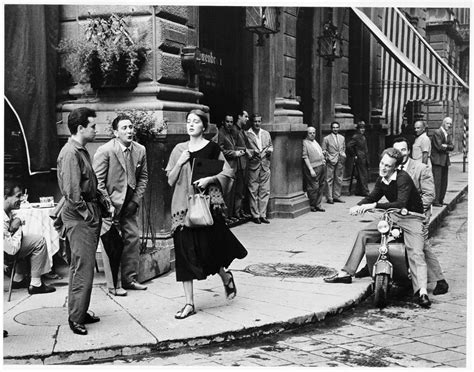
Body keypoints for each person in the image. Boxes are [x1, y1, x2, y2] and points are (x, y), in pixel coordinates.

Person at [324, 148, 432, 308]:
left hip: (412, 218)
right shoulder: (382, 180)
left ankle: (421, 291)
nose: (383, 167)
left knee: (416, 252)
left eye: (388, 166)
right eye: (382, 163)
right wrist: (358, 206)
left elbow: (400, 202)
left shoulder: (403, 178)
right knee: (363, 233)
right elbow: (373, 196)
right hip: (392, 216)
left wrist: (373, 206)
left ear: (395, 167)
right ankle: (346, 272)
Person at [166, 109, 248, 319]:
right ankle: (189, 303)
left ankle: (224, 275)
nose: (191, 125)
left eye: (196, 122)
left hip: (206, 207)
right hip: (182, 209)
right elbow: (170, 180)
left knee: (208, 250)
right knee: (184, 256)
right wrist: (180, 162)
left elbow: (227, 172)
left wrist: (209, 180)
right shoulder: (178, 149)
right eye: (188, 122)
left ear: (204, 126)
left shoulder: (212, 148)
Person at [57, 107, 102, 335]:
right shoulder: (70, 153)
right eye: (93, 126)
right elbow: (73, 193)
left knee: (83, 266)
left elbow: (86, 184)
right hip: (80, 216)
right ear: (80, 128)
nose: (96, 129)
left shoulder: (79, 150)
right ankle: (76, 317)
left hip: (86, 213)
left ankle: (80, 310)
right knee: (82, 267)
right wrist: (88, 214)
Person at [93, 114, 149, 294]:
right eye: (124, 128)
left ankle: (130, 279)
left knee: (132, 239)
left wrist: (135, 200)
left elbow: (143, 177)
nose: (129, 131)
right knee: (112, 244)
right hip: (109, 205)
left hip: (129, 205)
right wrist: (107, 205)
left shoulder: (140, 150)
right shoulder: (105, 150)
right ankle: (114, 285)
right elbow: (98, 182)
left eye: (131, 127)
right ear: (116, 132)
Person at [392, 137, 449, 295]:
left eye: (403, 150)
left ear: (409, 150)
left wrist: (412, 210)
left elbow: (429, 195)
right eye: (397, 151)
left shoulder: (421, 168)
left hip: (418, 214)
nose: (400, 153)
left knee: (421, 244)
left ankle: (440, 281)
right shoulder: (393, 168)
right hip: (401, 213)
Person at [3, 184, 55, 295]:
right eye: (18, 196)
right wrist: (16, 228)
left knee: (28, 239)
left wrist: (16, 222)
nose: (21, 199)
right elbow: (11, 250)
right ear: (5, 196)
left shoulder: (6, 210)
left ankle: (19, 278)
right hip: (5, 254)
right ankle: (36, 284)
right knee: (39, 241)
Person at [215, 114, 246, 223]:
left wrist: (240, 150)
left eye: (231, 122)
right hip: (226, 166)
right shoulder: (221, 133)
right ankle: (225, 217)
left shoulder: (231, 132)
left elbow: (234, 146)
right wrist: (234, 153)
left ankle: (230, 215)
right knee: (227, 193)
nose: (229, 124)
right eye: (227, 122)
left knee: (233, 193)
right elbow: (221, 150)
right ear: (223, 122)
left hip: (234, 166)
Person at [245, 113, 273, 224]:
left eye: (259, 121)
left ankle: (263, 214)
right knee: (253, 190)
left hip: (265, 164)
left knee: (265, 190)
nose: (257, 123)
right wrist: (252, 152)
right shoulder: (247, 134)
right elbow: (244, 149)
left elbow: (270, 145)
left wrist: (270, 150)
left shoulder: (266, 133)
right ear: (252, 122)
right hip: (253, 164)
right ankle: (255, 215)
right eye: (255, 121)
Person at [231, 110, 251, 219]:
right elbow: (233, 146)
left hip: (243, 163)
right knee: (238, 189)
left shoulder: (242, 130)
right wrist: (245, 149)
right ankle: (236, 212)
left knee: (242, 189)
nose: (247, 119)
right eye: (245, 116)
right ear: (239, 116)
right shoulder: (234, 130)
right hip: (238, 164)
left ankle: (241, 210)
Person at [430, 117, 454, 207]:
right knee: (437, 181)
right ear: (443, 123)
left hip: (444, 161)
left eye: (450, 124)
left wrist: (446, 146)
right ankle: (436, 201)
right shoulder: (437, 132)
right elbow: (439, 147)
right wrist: (447, 147)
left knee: (444, 181)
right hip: (437, 160)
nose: (449, 126)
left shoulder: (447, 133)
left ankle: (441, 199)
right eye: (448, 123)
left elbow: (452, 147)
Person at [302, 126, 326, 212]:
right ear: (307, 134)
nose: (312, 135)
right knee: (313, 187)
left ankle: (318, 205)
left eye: (313, 133)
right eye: (310, 133)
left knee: (321, 185)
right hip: (313, 167)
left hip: (321, 165)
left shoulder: (315, 142)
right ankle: (312, 205)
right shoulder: (305, 142)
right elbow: (305, 157)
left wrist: (323, 156)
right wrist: (311, 169)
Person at [322, 121, 346, 204]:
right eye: (334, 127)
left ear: (339, 128)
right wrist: (327, 157)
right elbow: (324, 150)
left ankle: (336, 196)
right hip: (330, 160)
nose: (335, 129)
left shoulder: (342, 138)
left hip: (340, 160)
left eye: (337, 127)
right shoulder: (326, 138)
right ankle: (329, 198)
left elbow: (343, 148)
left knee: (339, 179)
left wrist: (343, 155)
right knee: (329, 179)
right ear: (331, 128)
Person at [347, 121, 370, 196]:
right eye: (361, 128)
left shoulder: (363, 136)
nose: (362, 130)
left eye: (363, 128)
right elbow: (349, 146)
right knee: (363, 175)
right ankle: (365, 191)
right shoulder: (356, 137)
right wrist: (354, 155)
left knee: (361, 175)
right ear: (358, 129)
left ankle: (358, 191)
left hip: (364, 157)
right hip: (360, 158)